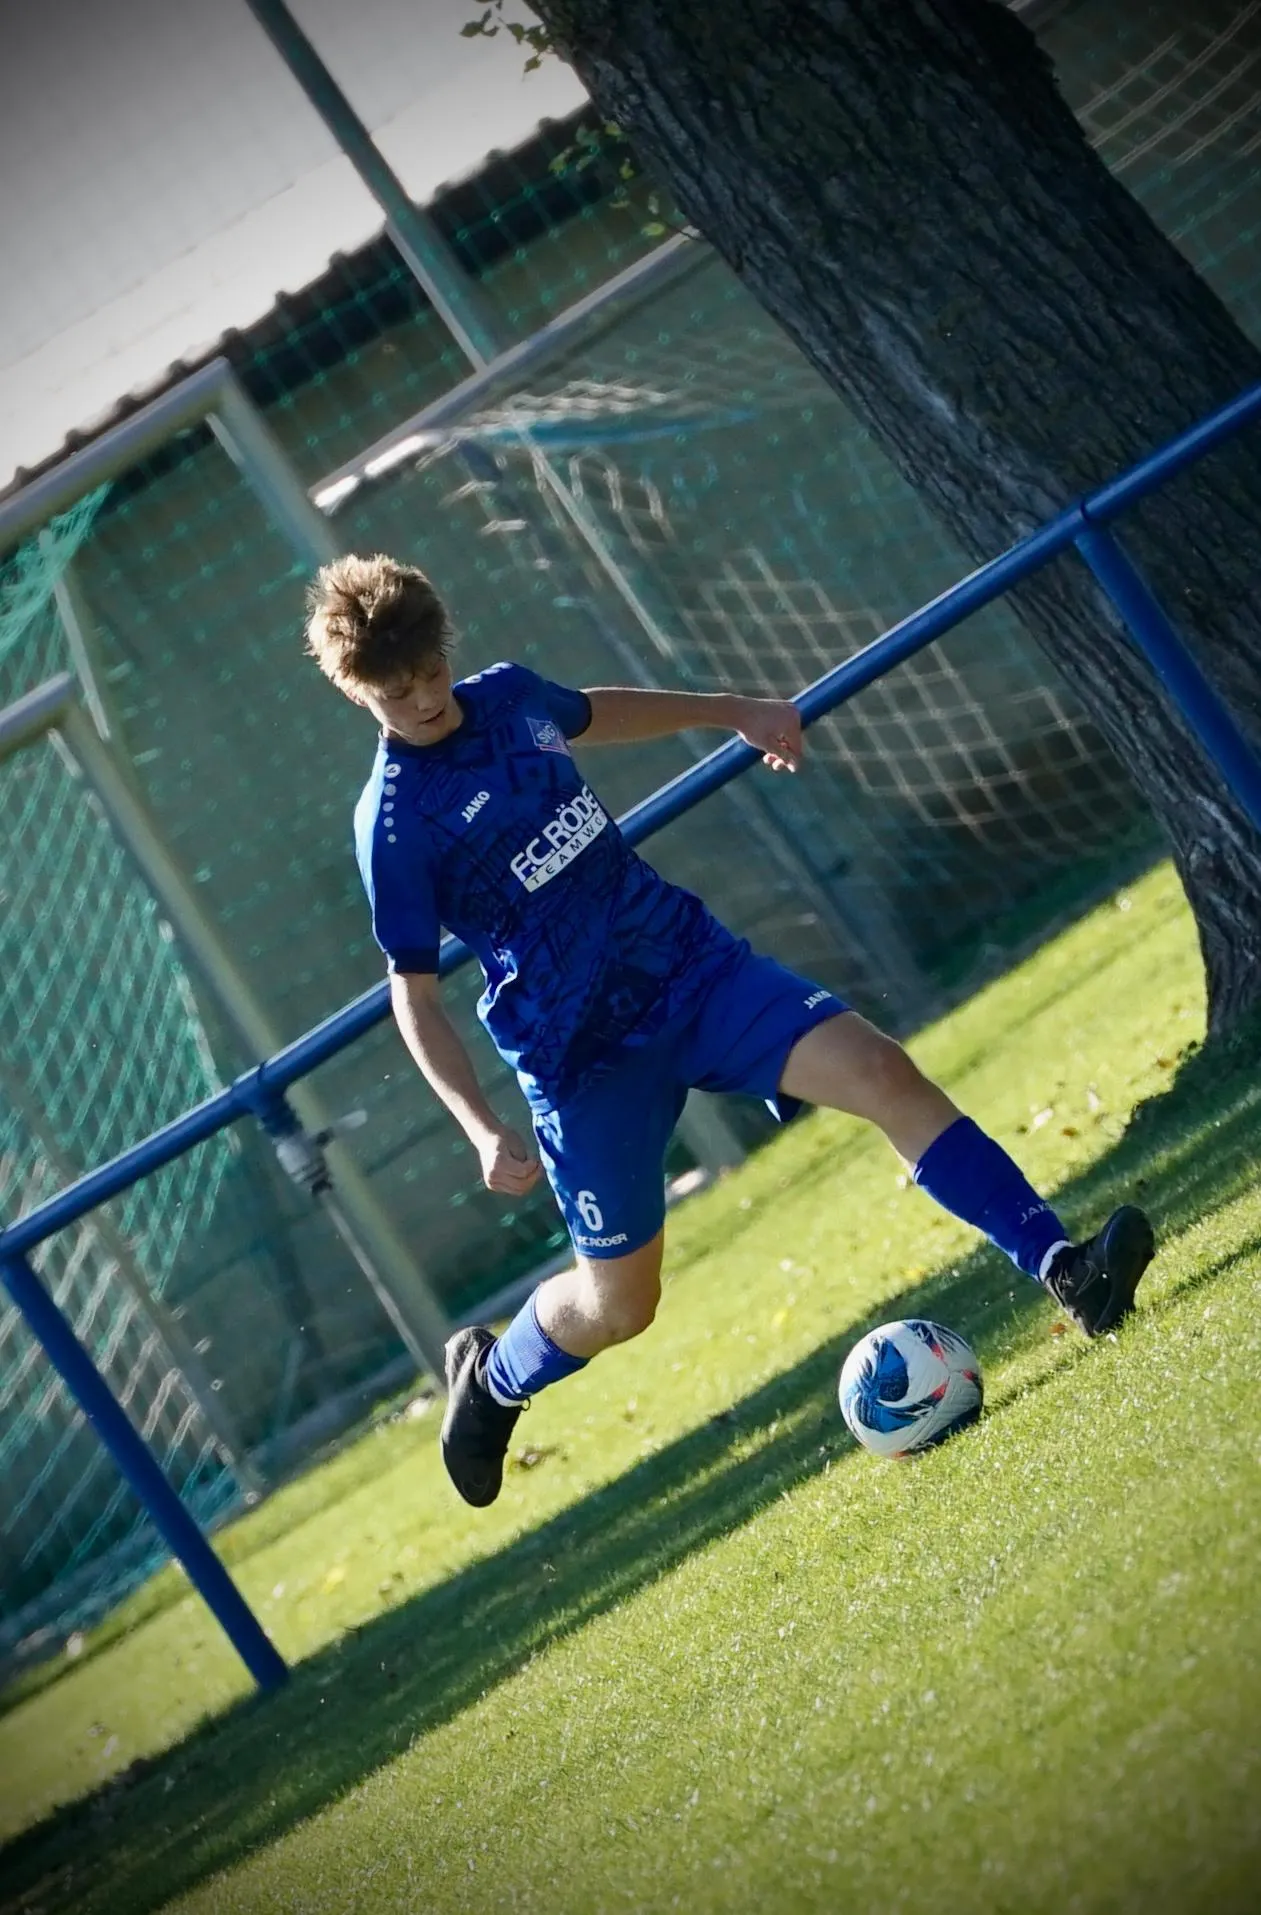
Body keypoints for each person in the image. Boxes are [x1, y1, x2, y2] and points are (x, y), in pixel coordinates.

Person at [305, 553, 1155, 1508]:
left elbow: (588, 711)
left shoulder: (506, 696)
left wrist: (731, 710)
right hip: (584, 1061)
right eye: (397, 691)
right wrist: (479, 1124)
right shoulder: (393, 825)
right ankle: (495, 1377)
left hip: (691, 968)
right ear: (357, 692)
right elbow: (413, 996)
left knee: (882, 1072)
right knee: (619, 1305)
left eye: (430, 671)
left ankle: (1066, 1270)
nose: (425, 698)